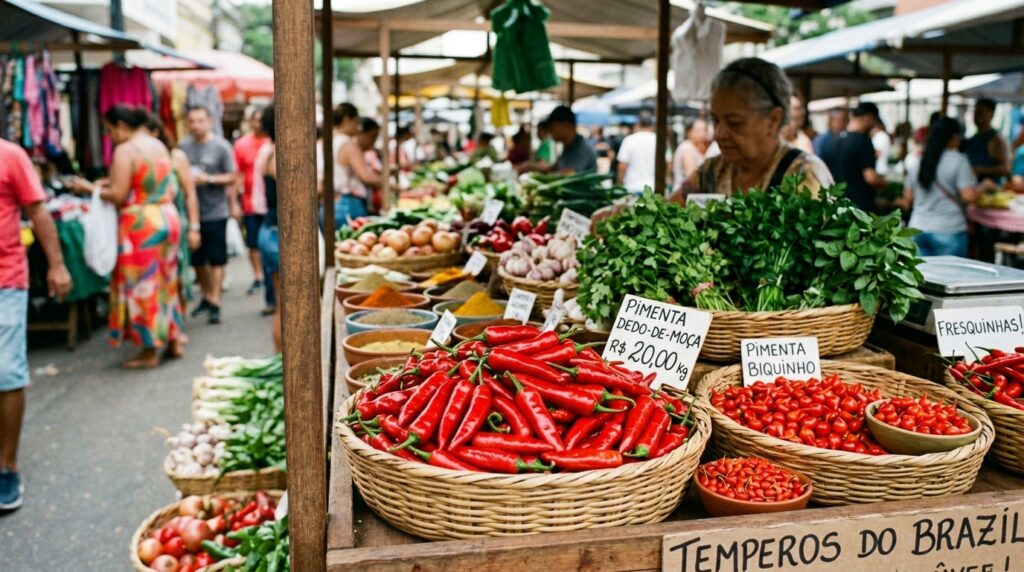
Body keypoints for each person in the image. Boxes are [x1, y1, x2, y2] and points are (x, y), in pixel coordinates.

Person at [69, 105, 186, 367]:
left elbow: (119, 194)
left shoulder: (126, 150)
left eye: (110, 131)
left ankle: (149, 350)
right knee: (166, 282)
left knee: (142, 286)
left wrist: (88, 188)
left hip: (142, 226)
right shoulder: (156, 144)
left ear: (121, 125)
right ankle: (174, 340)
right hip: (166, 217)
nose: (110, 137)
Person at [0, 139, 72, 510]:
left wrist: (57, 264)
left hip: (6, 281)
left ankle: (7, 467)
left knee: (7, 373)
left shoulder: (11, 156)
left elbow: (39, 212)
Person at [673, 58, 832, 199]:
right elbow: (667, 214)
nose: (719, 134)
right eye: (715, 121)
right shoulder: (711, 172)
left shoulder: (804, 174)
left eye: (735, 123)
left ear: (773, 120)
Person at [178, 105, 238, 325]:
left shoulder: (221, 147)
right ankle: (206, 295)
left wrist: (209, 179)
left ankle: (215, 300)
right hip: (191, 213)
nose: (196, 125)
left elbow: (233, 176)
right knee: (198, 259)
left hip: (216, 211)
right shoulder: (183, 147)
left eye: (200, 120)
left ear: (210, 121)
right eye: (192, 121)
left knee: (217, 258)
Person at [143, 114, 202, 310]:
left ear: (155, 132)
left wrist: (194, 227)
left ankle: (177, 321)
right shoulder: (139, 157)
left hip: (174, 224)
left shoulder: (176, 157)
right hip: (148, 228)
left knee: (176, 272)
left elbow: (190, 194)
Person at [904, 117, 978, 257]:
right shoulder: (959, 160)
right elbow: (968, 197)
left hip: (917, 228)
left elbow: (907, 198)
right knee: (951, 277)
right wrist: (984, 188)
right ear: (954, 137)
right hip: (949, 229)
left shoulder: (917, 160)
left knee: (921, 278)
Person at [823, 102, 886, 212]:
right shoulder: (863, 141)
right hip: (859, 209)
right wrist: (885, 184)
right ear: (868, 117)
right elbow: (870, 177)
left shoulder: (832, 141)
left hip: (837, 207)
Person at [233, 107, 269, 297]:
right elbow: (237, 175)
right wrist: (234, 203)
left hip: (269, 202)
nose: (257, 124)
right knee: (253, 243)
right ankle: (258, 275)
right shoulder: (241, 144)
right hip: (249, 202)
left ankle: (268, 274)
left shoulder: (271, 142)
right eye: (254, 120)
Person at [255, 104, 282, 352]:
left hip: (270, 230)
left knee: (284, 305)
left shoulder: (269, 152)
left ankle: (281, 362)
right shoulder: (277, 156)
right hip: (276, 234)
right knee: (285, 306)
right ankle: (281, 363)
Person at [337, 118, 382, 221]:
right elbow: (366, 177)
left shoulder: (337, 140)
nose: (373, 141)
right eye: (372, 136)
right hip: (347, 205)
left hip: (342, 204)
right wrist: (387, 184)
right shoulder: (349, 145)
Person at [963, 98, 1011, 183]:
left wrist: (978, 169)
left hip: (989, 190)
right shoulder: (972, 138)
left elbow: (1006, 168)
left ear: (991, 114)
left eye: (980, 112)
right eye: (975, 112)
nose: (976, 115)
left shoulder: (996, 139)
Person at [545, 105, 597, 174]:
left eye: (553, 126)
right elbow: (556, 168)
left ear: (566, 125)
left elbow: (569, 174)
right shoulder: (567, 148)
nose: (550, 131)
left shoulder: (581, 150)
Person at [616, 114, 657, 193]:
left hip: (632, 187)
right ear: (652, 125)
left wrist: (619, 184)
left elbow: (622, 166)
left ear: (637, 124)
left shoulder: (629, 140)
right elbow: (667, 164)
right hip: (653, 187)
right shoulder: (658, 141)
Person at [673, 118, 709, 191]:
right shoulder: (687, 148)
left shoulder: (697, 148)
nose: (703, 134)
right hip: (683, 194)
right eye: (698, 130)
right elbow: (691, 176)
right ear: (690, 132)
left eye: (705, 130)